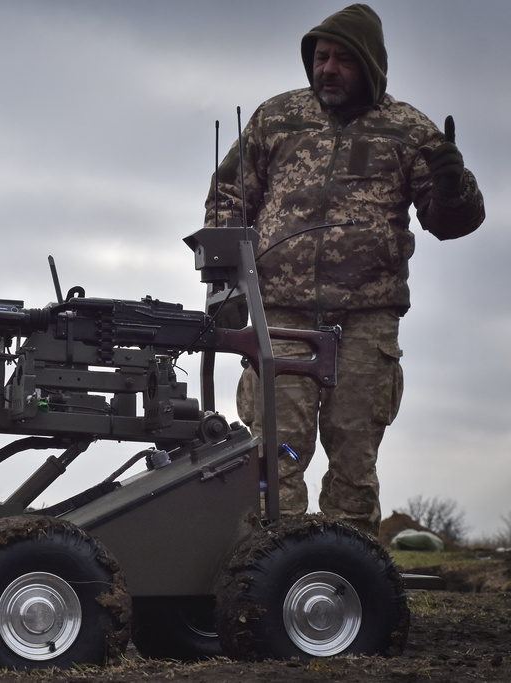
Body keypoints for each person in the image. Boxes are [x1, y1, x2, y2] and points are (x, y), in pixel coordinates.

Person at [204, 4, 485, 536]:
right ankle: (267, 574)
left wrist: (455, 186)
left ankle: (348, 574)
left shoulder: (408, 131)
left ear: (370, 66)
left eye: (341, 59)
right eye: (320, 57)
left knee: (354, 460)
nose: (327, 68)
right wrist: (227, 285)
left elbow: (450, 222)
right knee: (277, 452)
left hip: (363, 323)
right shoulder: (277, 118)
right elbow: (227, 197)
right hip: (280, 318)